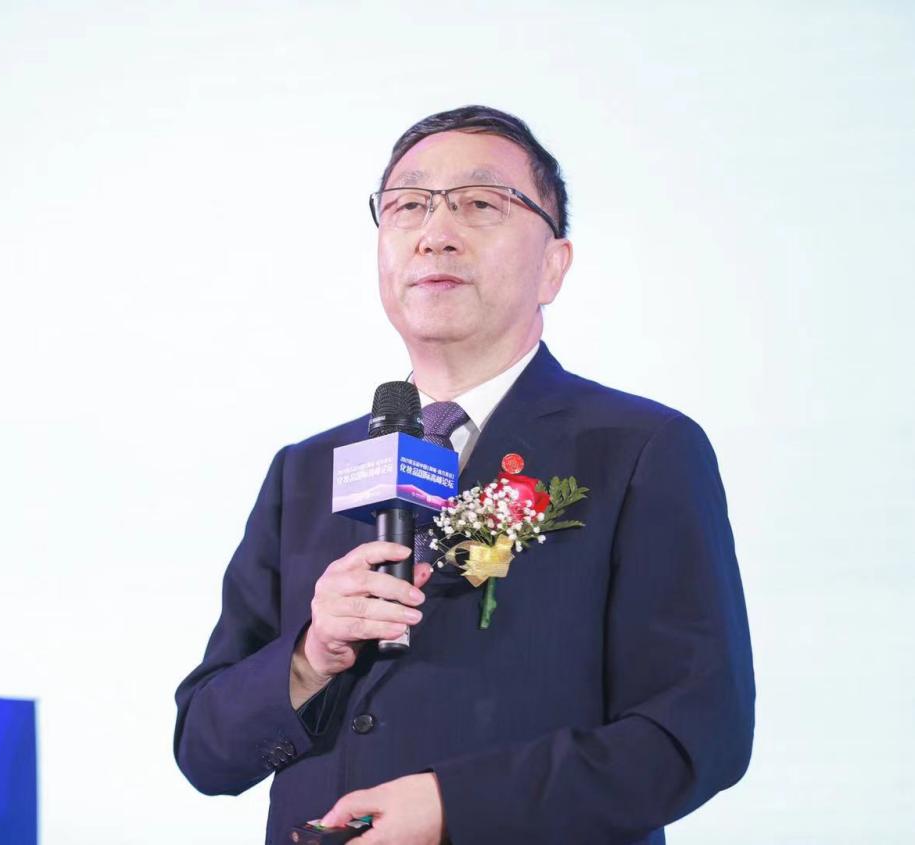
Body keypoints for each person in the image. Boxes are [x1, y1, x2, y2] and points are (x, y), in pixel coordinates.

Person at [172, 105, 755, 845]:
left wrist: (453, 806)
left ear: (553, 265)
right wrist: (310, 656)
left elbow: (693, 735)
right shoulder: (307, 470)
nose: (435, 232)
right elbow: (205, 751)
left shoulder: (639, 449)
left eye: (479, 203)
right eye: (407, 204)